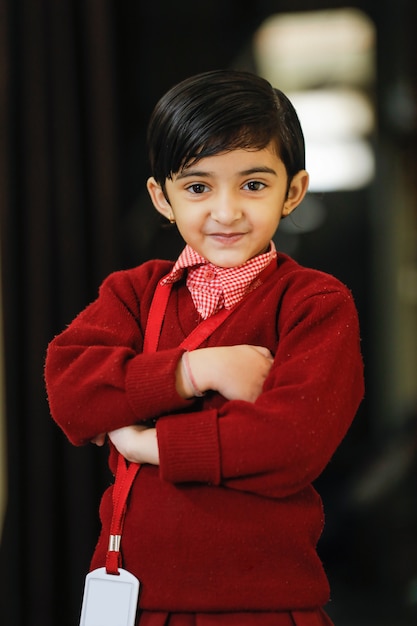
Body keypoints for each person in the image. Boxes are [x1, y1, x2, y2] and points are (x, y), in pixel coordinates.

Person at [45, 69, 364, 626]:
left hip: (265, 606)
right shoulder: (133, 292)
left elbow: (290, 445)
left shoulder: (315, 302)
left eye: (254, 184)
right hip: (137, 602)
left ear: (293, 191)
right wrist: (192, 371)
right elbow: (72, 392)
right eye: (197, 186)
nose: (226, 211)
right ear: (161, 198)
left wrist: (146, 444)